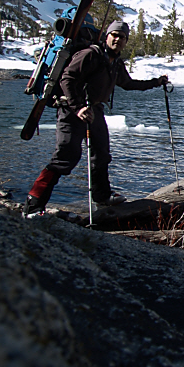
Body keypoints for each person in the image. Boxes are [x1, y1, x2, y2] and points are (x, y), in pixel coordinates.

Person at [23, 19, 168, 218]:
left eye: (122, 37)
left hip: (94, 111)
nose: (117, 39)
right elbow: (67, 78)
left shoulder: (115, 62)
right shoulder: (90, 54)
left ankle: (102, 196)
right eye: (114, 35)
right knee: (65, 158)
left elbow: (128, 84)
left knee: (101, 155)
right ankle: (33, 204)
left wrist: (156, 82)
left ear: (126, 41)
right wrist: (78, 107)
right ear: (106, 36)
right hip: (71, 111)